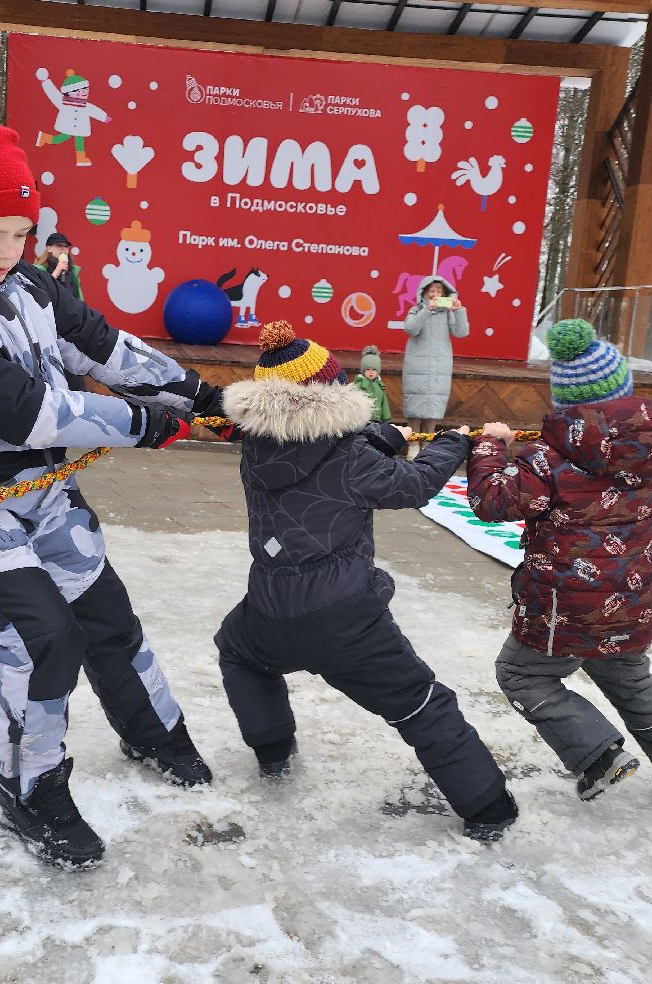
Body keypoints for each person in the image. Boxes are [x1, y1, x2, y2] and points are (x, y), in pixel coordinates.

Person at [0, 117, 225, 869]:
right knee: (42, 641)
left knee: (107, 617)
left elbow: (102, 347)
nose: (7, 253)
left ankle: (151, 728)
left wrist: (202, 396)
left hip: (40, 486)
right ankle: (28, 786)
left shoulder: (29, 282)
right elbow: (28, 410)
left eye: (21, 233)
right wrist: (142, 422)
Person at [214, 321, 517, 841]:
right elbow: (415, 484)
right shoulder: (352, 459)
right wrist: (454, 444)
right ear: (329, 395)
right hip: (343, 619)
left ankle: (272, 751)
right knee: (421, 703)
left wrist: (379, 438)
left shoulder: (257, 449)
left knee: (238, 652)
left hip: (267, 608)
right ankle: (488, 806)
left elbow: (314, 454)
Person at [464, 319, 652, 810]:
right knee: (633, 681)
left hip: (564, 610)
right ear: (625, 392)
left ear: (563, 402)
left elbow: (493, 502)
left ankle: (597, 756)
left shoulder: (545, 459)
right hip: (629, 603)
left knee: (522, 675)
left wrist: (491, 446)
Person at [401, 276, 468, 443]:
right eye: (432, 291)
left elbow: (461, 333)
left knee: (433, 408)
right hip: (417, 365)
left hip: (439, 366)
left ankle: (428, 443)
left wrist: (459, 311)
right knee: (414, 408)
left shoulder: (448, 313)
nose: (435, 294)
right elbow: (410, 329)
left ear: (445, 294)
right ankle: (413, 444)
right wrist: (427, 310)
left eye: (439, 291)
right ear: (424, 293)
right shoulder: (416, 310)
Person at [33, 232, 83, 300]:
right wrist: (57, 271)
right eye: (59, 245)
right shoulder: (39, 270)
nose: (63, 249)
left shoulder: (73, 271)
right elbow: (39, 293)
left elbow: (78, 297)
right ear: (49, 249)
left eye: (66, 246)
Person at [351, 344, 391, 422]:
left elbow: (384, 402)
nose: (371, 372)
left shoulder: (379, 385)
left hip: (378, 418)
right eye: (368, 369)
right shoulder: (360, 385)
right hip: (363, 419)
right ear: (363, 371)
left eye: (374, 369)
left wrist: (386, 417)